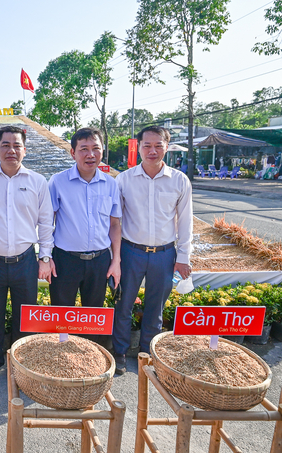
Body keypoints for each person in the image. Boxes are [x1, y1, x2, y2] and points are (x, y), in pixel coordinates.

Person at [0, 125, 54, 387]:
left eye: (16, 145)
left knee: (25, 316)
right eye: (5, 145)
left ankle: (21, 365)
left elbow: (45, 222)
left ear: (25, 151)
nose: (11, 150)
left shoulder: (38, 182)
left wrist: (45, 257)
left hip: (26, 260)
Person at [113, 125, 192, 375]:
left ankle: (146, 354)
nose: (153, 150)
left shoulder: (179, 180)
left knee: (155, 308)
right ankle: (121, 353)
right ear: (139, 147)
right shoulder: (124, 179)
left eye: (158, 145)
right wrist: (114, 257)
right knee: (123, 305)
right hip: (130, 252)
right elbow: (115, 221)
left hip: (164, 254)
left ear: (166, 147)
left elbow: (185, 221)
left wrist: (183, 257)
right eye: (147, 145)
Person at [48, 128, 121, 314]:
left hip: (100, 261)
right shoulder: (57, 182)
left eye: (96, 148)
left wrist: (116, 261)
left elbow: (114, 225)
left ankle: (91, 345)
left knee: (93, 317)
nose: (90, 155)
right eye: (83, 149)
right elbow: (48, 222)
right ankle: (62, 345)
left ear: (102, 151)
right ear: (73, 153)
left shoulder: (111, 184)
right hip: (65, 260)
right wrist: (46, 257)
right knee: (62, 318)